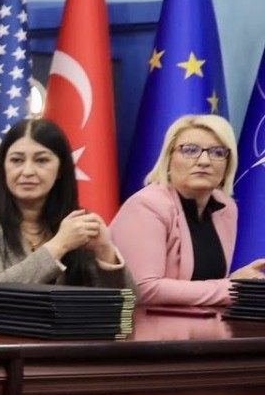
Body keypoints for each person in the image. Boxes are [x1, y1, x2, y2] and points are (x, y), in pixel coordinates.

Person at [111, 113, 265, 310]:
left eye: (217, 152)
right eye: (190, 150)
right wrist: (232, 287)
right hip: (144, 326)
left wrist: (238, 283)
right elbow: (144, 289)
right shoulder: (145, 206)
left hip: (205, 323)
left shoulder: (225, 207)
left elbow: (208, 284)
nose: (204, 161)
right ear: (168, 159)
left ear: (228, 163)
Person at [0, 118, 128, 288]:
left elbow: (128, 302)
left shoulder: (75, 224)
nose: (27, 171)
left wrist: (105, 250)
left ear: (60, 169)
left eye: (41, 160)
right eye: (17, 160)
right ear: (3, 167)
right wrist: (59, 245)